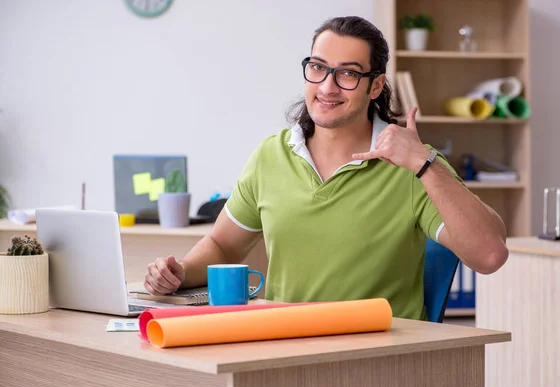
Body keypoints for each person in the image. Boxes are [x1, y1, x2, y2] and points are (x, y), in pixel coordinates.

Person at [143, 16, 508, 320]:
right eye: (318, 68)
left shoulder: (414, 165)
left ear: (376, 85)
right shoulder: (270, 156)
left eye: (347, 74)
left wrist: (423, 164)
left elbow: (489, 255)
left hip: (378, 359)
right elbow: (223, 245)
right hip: (286, 347)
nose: (328, 87)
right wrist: (179, 273)